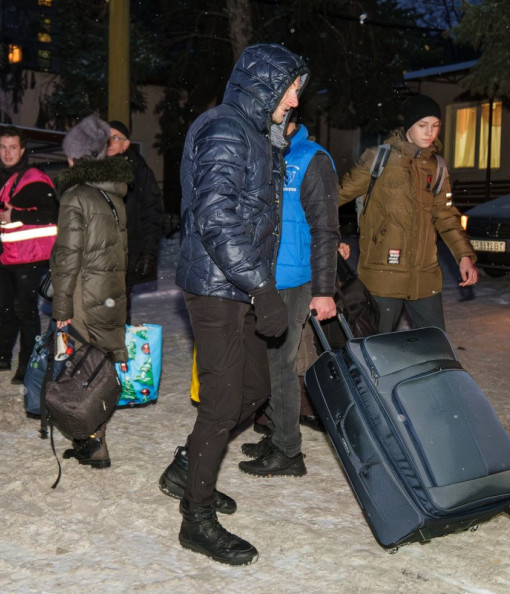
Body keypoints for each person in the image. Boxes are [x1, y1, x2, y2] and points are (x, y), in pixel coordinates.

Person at [158, 44, 305, 566]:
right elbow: (217, 216)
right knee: (221, 403)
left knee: (256, 389)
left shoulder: (257, 134)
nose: (294, 98)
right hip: (218, 287)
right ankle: (195, 518)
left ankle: (186, 467)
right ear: (263, 85)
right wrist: (262, 288)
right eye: (290, 87)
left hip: (239, 284)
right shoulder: (224, 128)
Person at [238, 120, 340, 477]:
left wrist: (325, 290)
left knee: (281, 366)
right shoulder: (262, 153)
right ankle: (277, 432)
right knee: (265, 365)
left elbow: (326, 228)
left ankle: (288, 452)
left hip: (294, 280)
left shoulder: (312, 159)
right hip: (263, 279)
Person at [338, 94, 478, 334]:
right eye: (422, 126)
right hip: (383, 274)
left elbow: (446, 216)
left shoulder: (438, 167)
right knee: (378, 350)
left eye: (435, 126)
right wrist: (331, 236)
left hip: (425, 276)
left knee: (435, 346)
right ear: (408, 127)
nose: (430, 132)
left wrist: (464, 255)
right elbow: (335, 197)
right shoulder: (379, 158)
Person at [50, 114, 132, 468]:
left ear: (75, 155)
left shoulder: (76, 197)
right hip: (109, 293)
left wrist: (61, 307)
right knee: (96, 370)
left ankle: (93, 443)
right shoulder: (112, 195)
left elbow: (68, 258)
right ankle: (93, 441)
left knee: (85, 372)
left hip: (85, 294)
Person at [0, 126, 58, 383]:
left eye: (13, 147)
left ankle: (28, 362)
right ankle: (2, 356)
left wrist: (17, 215)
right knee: (4, 309)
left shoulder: (34, 178)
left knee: (25, 311)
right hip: (2, 256)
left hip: (28, 258)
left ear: (23, 150)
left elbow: (53, 213)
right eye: (3, 147)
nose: (7, 152)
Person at [104, 119, 164, 320]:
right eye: (105, 137)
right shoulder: (92, 169)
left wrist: (148, 253)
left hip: (126, 250)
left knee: (118, 307)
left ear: (126, 144)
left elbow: (152, 213)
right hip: (96, 251)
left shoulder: (139, 172)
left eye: (115, 138)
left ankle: (116, 349)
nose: (109, 142)